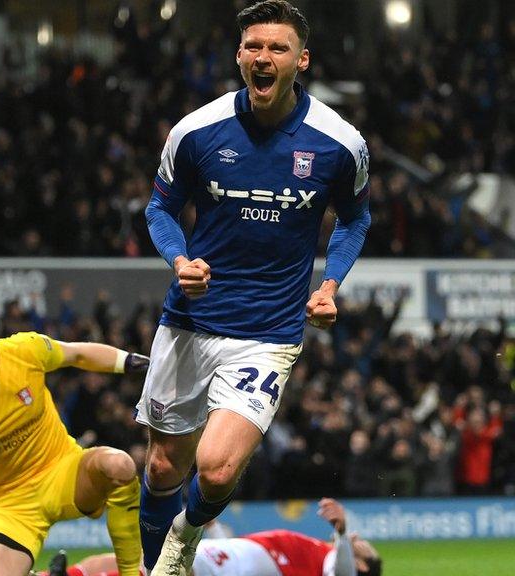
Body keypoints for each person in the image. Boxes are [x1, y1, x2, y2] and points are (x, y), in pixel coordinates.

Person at [137, 1, 371, 574]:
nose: (263, 58)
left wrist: (330, 284)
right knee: (165, 469)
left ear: (302, 59)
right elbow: (159, 209)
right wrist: (178, 259)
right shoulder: (195, 131)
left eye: (278, 48)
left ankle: (178, 551)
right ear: (239, 55)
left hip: (268, 330)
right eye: (253, 47)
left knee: (215, 469)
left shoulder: (339, 143)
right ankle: (151, 568)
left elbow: (355, 218)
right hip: (190, 321)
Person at [0, 294, 149, 576]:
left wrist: (130, 361)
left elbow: (77, 353)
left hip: (65, 472)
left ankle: (134, 573)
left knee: (119, 465)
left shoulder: (23, 350)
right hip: (12, 505)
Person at [38, 499, 382, 576]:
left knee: (147, 569)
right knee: (132, 560)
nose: (356, 537)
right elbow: (246, 545)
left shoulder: (332, 562)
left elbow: (343, 571)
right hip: (222, 553)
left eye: (362, 546)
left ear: (364, 565)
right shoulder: (314, 550)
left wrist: (339, 532)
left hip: (224, 569)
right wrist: (215, 528)